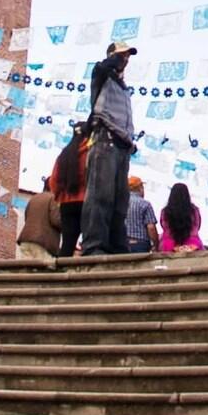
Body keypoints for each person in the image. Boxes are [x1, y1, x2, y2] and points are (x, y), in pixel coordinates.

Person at [79, 42, 137, 256]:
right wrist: (113, 60)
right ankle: (94, 245)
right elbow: (102, 68)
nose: (125, 60)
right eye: (122, 56)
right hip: (105, 140)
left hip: (123, 145)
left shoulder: (124, 87)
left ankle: (116, 246)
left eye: (127, 57)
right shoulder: (102, 75)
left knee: (120, 201)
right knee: (100, 195)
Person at [47, 123, 90, 258]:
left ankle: (60, 274)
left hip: (67, 203)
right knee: (89, 241)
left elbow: (53, 181)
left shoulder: (63, 155)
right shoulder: (90, 153)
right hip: (87, 202)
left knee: (67, 244)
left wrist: (59, 197)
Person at [17, 188, 61, 263]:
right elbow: (56, 221)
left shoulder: (34, 198)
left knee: (26, 271)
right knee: (43, 271)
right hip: (42, 243)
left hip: (25, 240)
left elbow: (26, 217)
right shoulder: (53, 198)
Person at [159, 182, 204, 253]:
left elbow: (164, 226)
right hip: (193, 245)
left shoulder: (165, 212)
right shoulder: (194, 210)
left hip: (169, 245)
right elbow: (197, 226)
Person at [123, 175, 158, 255]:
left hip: (122, 243)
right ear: (140, 188)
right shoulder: (145, 204)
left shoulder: (121, 203)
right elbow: (151, 227)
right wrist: (156, 245)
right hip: (140, 245)